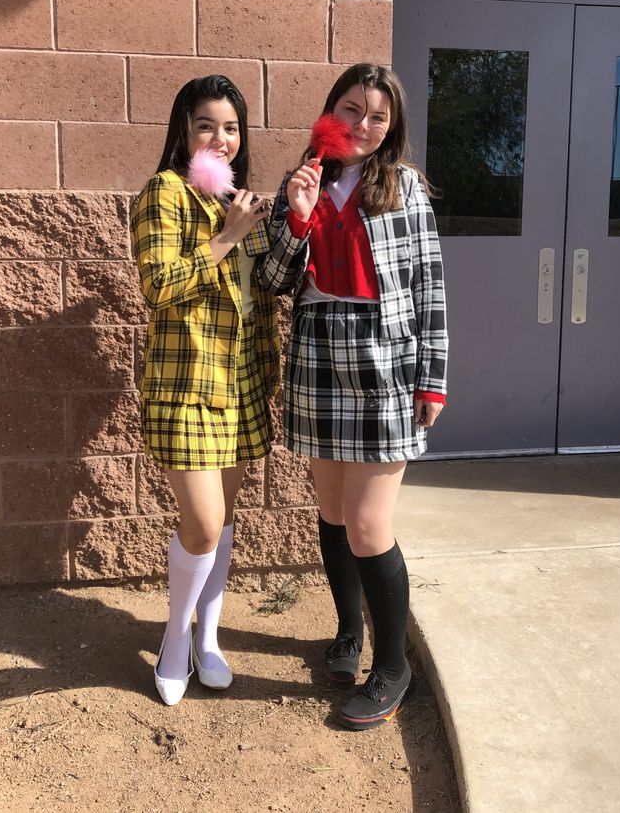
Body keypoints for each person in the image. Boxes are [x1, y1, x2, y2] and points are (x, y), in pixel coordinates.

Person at [258, 63, 447, 730]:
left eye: (378, 116)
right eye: (351, 108)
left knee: (370, 525)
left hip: (382, 363)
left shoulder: (404, 188)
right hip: (315, 359)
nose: (362, 124)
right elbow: (276, 278)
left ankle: (394, 666)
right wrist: (298, 219)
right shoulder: (301, 181)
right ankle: (348, 633)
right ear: (330, 110)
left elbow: (429, 289)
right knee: (334, 511)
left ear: (392, 127)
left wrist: (434, 378)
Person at [130, 75, 279, 706]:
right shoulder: (164, 193)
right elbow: (159, 285)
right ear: (183, 132)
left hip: (241, 383)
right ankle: (174, 637)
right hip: (186, 383)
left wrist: (284, 225)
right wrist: (228, 238)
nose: (220, 139)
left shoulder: (240, 201)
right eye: (205, 126)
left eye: (231, 128)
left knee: (222, 524)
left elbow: (267, 290)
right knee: (203, 523)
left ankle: (209, 640)